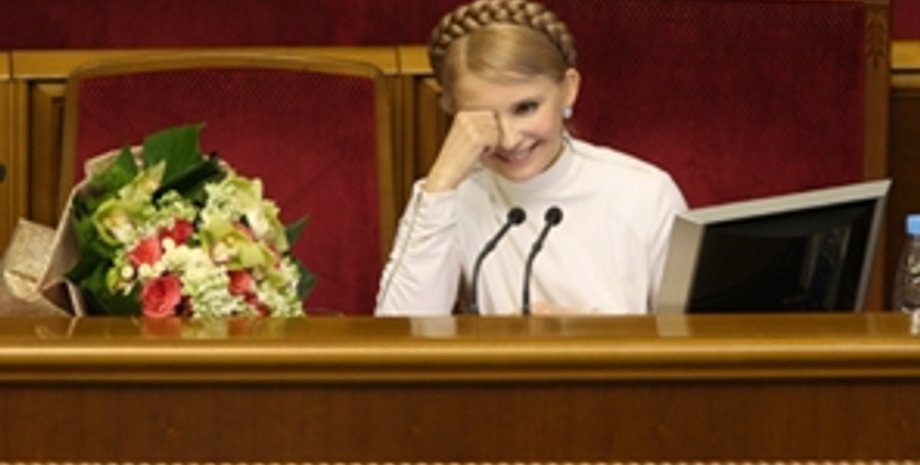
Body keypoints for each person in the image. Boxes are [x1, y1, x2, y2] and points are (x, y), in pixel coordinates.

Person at [376, 0, 687, 316]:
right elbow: (398, 331)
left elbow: (686, 338)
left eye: (525, 108)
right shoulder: (450, 199)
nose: (509, 140)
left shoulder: (647, 194)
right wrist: (441, 181)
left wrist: (589, 335)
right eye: (482, 116)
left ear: (568, 89)